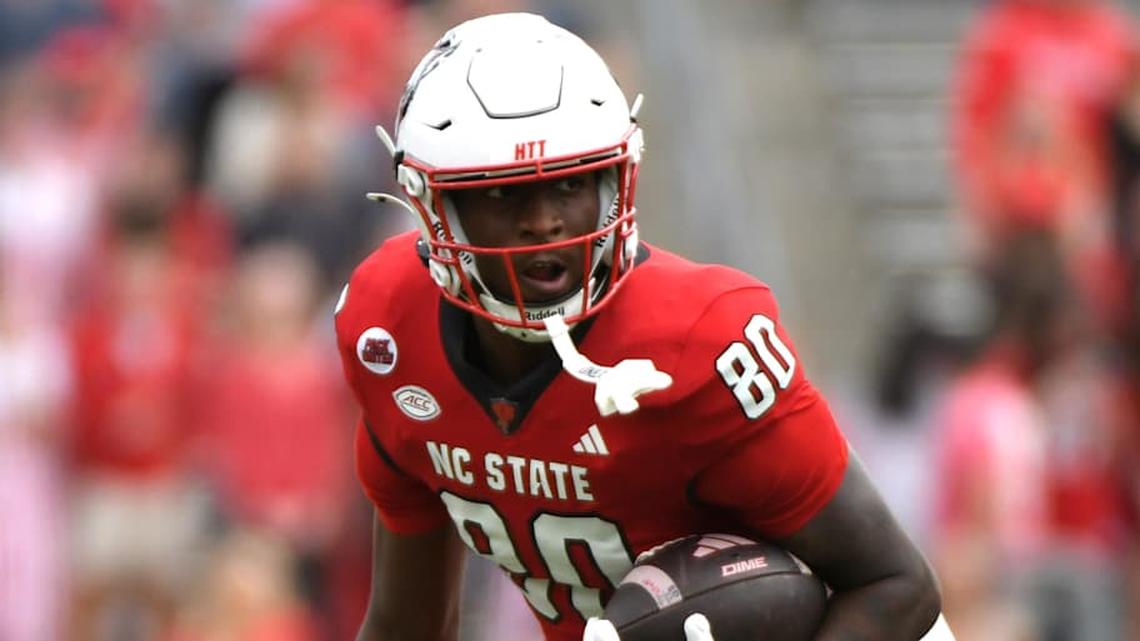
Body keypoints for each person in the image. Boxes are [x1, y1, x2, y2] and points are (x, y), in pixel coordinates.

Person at [335, 13, 952, 641]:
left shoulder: (701, 340)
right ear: (433, 206)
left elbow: (897, 586)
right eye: (502, 193)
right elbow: (404, 623)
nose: (545, 221)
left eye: (572, 182)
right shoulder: (387, 327)